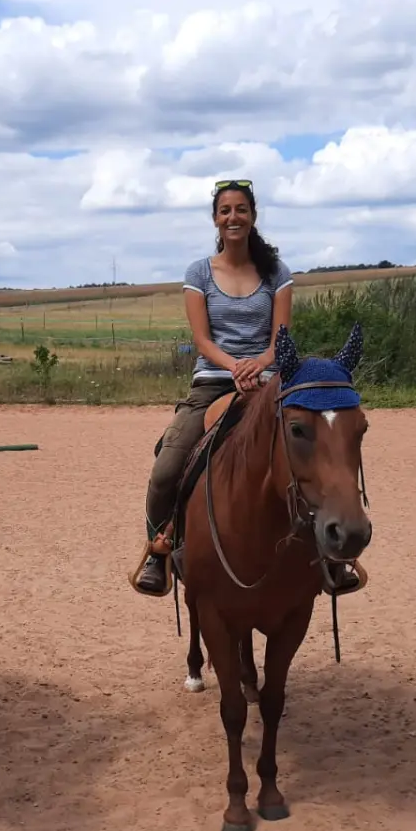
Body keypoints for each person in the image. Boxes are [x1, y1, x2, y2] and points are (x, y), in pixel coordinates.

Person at [131, 179, 294, 596]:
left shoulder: (277, 272)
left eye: (241, 209)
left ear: (253, 216)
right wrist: (235, 367)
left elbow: (281, 341)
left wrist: (259, 364)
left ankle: (331, 557)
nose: (233, 217)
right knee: (166, 470)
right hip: (211, 383)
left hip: (267, 383)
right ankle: (159, 550)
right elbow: (202, 340)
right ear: (216, 220)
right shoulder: (198, 272)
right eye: (225, 211)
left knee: (315, 453)